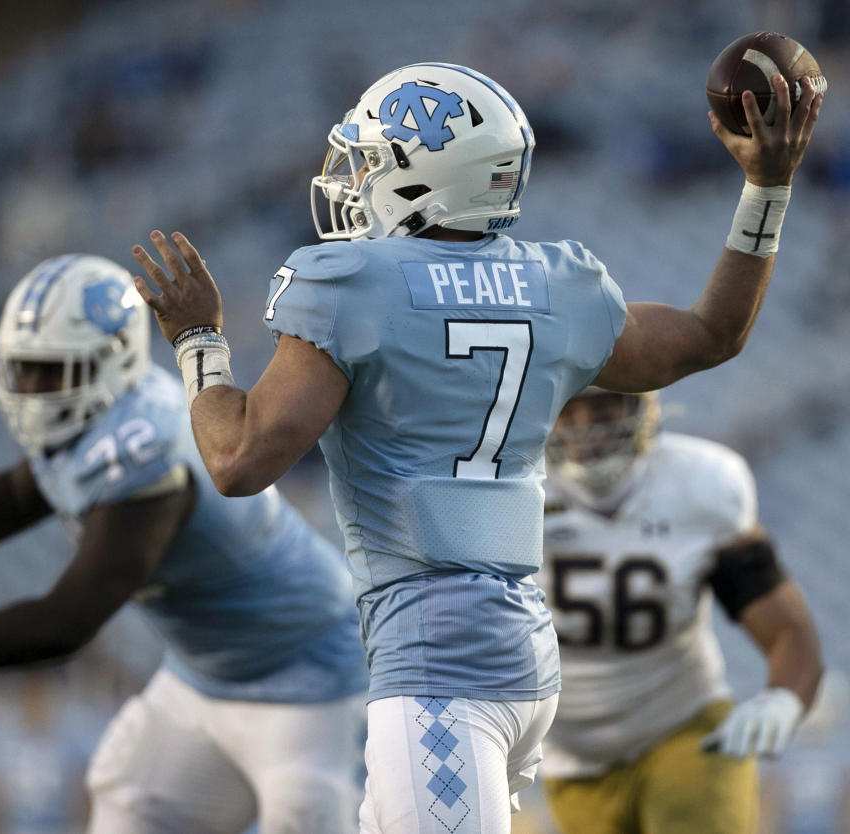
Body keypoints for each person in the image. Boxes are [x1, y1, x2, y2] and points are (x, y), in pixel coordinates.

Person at [130, 62, 823, 833]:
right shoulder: (557, 284)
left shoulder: (350, 282)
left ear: (424, 176)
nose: (353, 178)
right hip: (525, 659)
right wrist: (767, 188)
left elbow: (238, 459)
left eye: (372, 159)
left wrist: (198, 342)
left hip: (438, 666)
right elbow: (711, 335)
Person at [0, 255, 369, 833]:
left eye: (54, 371)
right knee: (129, 800)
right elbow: (19, 494)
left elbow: (61, 623)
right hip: (205, 680)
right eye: (27, 370)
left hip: (314, 682)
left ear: (112, 362)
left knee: (307, 821)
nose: (36, 390)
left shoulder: (147, 454)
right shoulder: (102, 415)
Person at [534, 388, 823, 834]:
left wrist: (781, 699)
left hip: (683, 729)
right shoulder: (511, 491)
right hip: (571, 762)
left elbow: (786, 629)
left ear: (642, 406)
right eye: (569, 410)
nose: (587, 427)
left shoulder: (700, 482)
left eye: (605, 405)